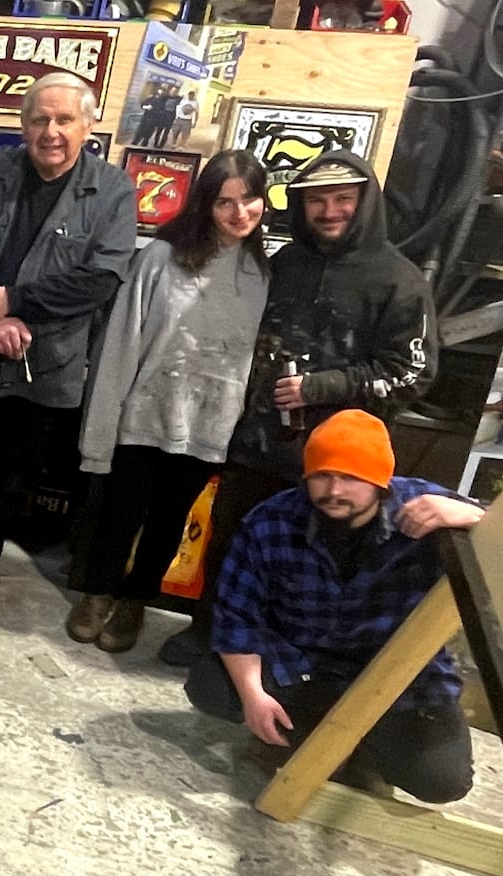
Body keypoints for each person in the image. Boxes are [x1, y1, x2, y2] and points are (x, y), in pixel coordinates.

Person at [165, 151, 438, 714]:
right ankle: (209, 630)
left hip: (339, 466)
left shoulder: (400, 280)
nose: (330, 210)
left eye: (343, 199)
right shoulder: (283, 262)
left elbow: (414, 372)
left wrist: (323, 387)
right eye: (318, 200)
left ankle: (294, 660)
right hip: (257, 444)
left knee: (312, 569)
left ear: (365, 203)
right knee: (231, 544)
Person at [0, 72, 136, 625]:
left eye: (64, 119)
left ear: (87, 126)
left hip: (44, 365)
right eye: (39, 119)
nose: (51, 131)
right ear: (23, 124)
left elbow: (102, 280)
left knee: (7, 480)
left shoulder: (113, 190)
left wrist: (15, 302)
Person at [213, 409, 479, 803]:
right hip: (304, 663)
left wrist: (475, 516)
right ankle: (314, 732)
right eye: (322, 475)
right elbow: (237, 616)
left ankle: (360, 745)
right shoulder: (271, 521)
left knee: (443, 781)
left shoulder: (426, 506)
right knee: (213, 686)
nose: (334, 490)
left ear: (381, 482)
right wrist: (253, 694)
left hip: (398, 672)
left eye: (351, 478)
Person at [68, 151, 270, 653]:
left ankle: (136, 599)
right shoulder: (162, 257)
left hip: (209, 424)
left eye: (249, 199)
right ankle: (97, 592)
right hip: (145, 411)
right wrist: (104, 420)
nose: (239, 213)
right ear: (205, 204)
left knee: (169, 519)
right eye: (224, 202)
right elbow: (123, 337)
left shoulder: (265, 273)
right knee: (119, 511)